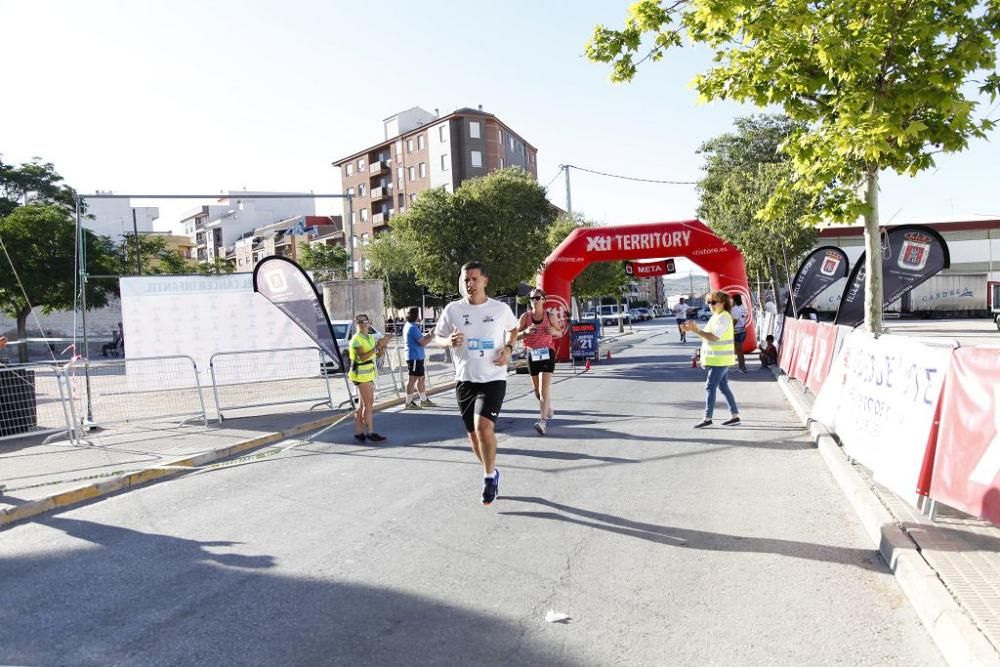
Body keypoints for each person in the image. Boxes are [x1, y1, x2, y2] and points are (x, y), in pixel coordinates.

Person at [434, 261, 518, 505]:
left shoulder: (500, 309)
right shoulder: (453, 310)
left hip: (493, 378)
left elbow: (513, 330)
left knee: (483, 428)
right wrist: (448, 341)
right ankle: (491, 470)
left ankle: (489, 478)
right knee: (473, 437)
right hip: (465, 380)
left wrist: (509, 349)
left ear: (484, 281)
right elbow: (437, 338)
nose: (469, 284)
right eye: (465, 280)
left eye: (473, 279)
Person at [682, 290, 741, 428]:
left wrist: (696, 330)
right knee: (724, 387)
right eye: (708, 302)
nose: (710, 305)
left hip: (720, 360)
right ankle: (735, 415)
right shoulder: (716, 316)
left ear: (723, 303)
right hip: (717, 359)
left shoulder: (724, 317)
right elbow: (705, 336)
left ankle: (707, 418)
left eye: (714, 302)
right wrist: (691, 329)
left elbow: (714, 337)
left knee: (710, 386)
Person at [518, 288, 564, 435]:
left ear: (543, 300)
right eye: (532, 299)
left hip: (547, 352)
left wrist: (553, 332)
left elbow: (560, 332)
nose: (534, 301)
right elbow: (515, 335)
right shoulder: (525, 317)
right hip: (532, 353)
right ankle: (548, 408)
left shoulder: (549, 315)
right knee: (537, 392)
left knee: (544, 389)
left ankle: (542, 422)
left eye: (537, 298)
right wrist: (524, 332)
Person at [348, 313, 389, 443]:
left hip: (368, 374)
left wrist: (382, 346)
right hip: (360, 375)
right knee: (369, 404)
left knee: (361, 406)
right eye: (358, 322)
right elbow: (362, 357)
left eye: (363, 321)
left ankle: (359, 433)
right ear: (356, 324)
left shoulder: (370, 338)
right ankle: (370, 432)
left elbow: (378, 354)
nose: (361, 324)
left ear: (368, 323)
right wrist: (377, 347)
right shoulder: (356, 339)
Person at [403, 307, 436, 410]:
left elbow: (421, 338)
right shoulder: (412, 327)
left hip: (417, 357)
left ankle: (424, 400)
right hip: (414, 357)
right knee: (412, 379)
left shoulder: (410, 326)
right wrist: (432, 336)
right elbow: (423, 342)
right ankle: (408, 402)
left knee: (421, 379)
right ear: (416, 315)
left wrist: (429, 334)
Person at [731, 294, 749, 372]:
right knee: (740, 351)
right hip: (742, 330)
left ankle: (742, 367)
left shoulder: (734, 309)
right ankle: (742, 367)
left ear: (734, 300)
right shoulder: (743, 307)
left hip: (736, 331)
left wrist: (730, 329)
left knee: (739, 352)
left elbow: (735, 319)